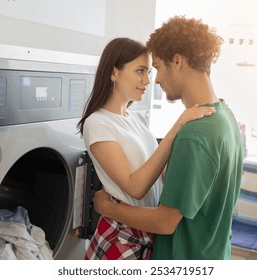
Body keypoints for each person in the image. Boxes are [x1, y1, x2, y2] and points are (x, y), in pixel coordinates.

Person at [93, 16, 244, 260]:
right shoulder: (226, 117)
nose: (157, 80)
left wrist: (108, 208)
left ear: (178, 61)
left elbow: (164, 222)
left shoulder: (194, 134)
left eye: (159, 67)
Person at [77, 37, 215, 260]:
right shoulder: (97, 123)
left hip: (145, 234)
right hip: (120, 237)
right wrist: (175, 129)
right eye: (140, 71)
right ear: (114, 73)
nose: (148, 80)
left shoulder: (137, 119)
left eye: (149, 72)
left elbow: (160, 175)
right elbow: (135, 187)